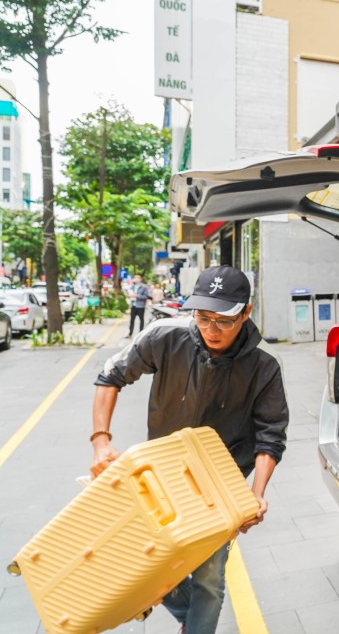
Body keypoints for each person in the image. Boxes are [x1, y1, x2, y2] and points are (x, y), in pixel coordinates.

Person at [90, 265, 289, 634]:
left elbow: (271, 434)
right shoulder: (165, 337)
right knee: (148, 561)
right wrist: (101, 441)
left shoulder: (264, 368)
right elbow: (110, 375)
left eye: (224, 321)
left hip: (219, 486)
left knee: (210, 577)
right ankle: (191, 621)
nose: (211, 329)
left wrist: (255, 495)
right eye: (203, 317)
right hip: (160, 475)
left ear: (246, 313)